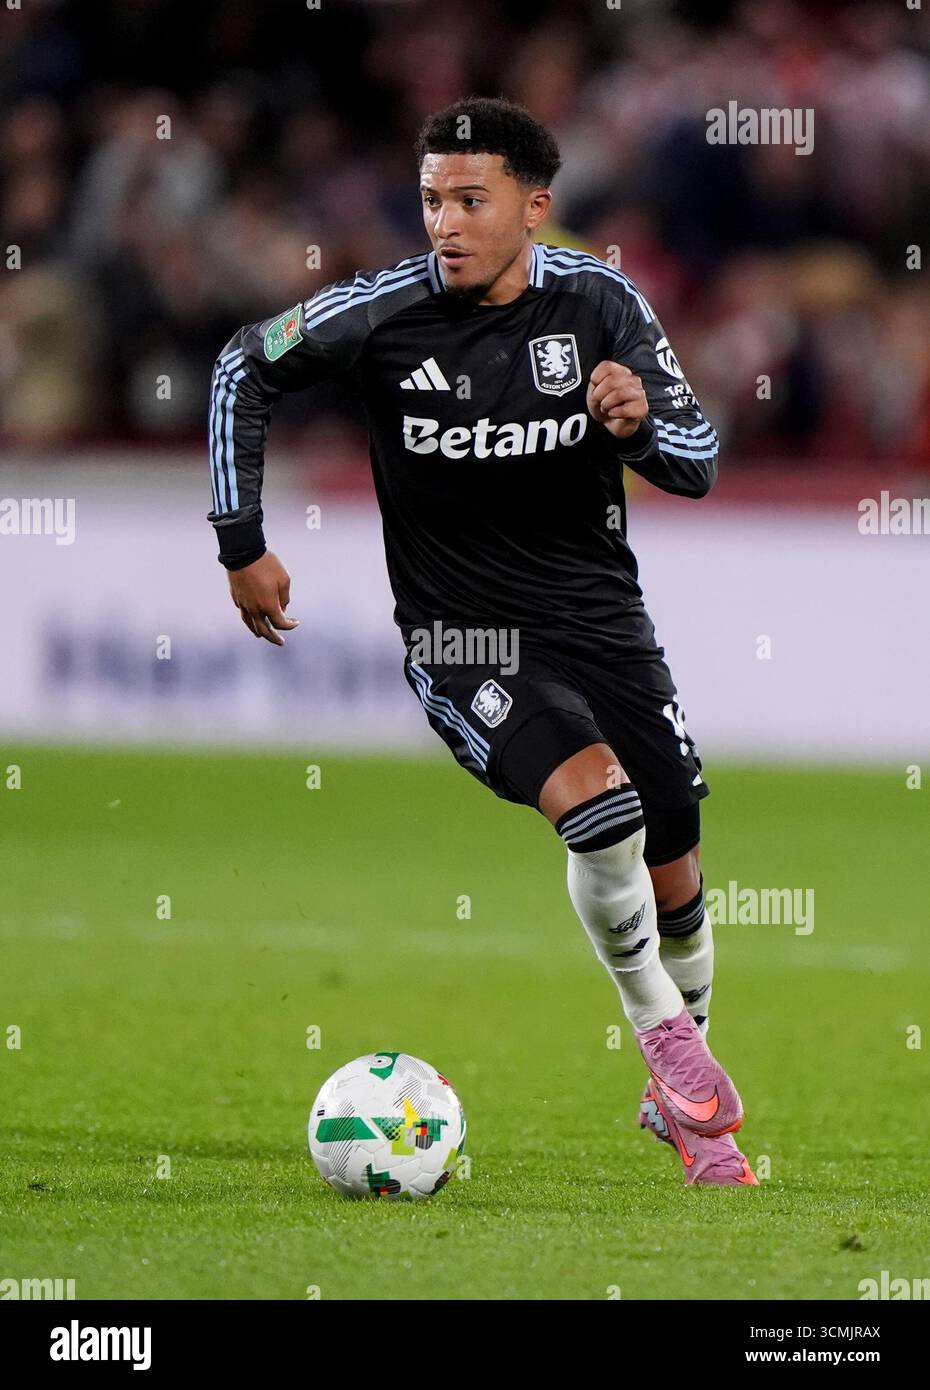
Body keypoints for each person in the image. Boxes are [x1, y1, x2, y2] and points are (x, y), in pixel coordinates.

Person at [207, 96, 756, 1187]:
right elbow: (241, 366)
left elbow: (698, 461)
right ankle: (669, 1052)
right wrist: (242, 542)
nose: (444, 224)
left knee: (678, 862)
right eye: (430, 201)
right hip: (465, 637)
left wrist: (638, 421)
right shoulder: (384, 311)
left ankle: (681, 1051)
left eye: (470, 200)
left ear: (534, 207)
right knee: (600, 804)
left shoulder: (602, 305)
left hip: (604, 625)